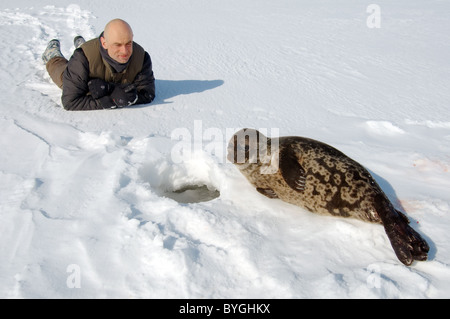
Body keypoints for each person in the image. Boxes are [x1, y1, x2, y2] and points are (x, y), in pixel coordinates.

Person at [42, 19, 155, 111]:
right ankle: (52, 54)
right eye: (118, 45)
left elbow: (147, 94)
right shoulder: (82, 59)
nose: (125, 51)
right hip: (84, 69)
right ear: (104, 43)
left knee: (88, 54)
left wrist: (113, 91)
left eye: (128, 43)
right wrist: (109, 101)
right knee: (63, 74)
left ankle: (84, 45)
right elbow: (70, 102)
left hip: (93, 62)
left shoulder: (141, 57)